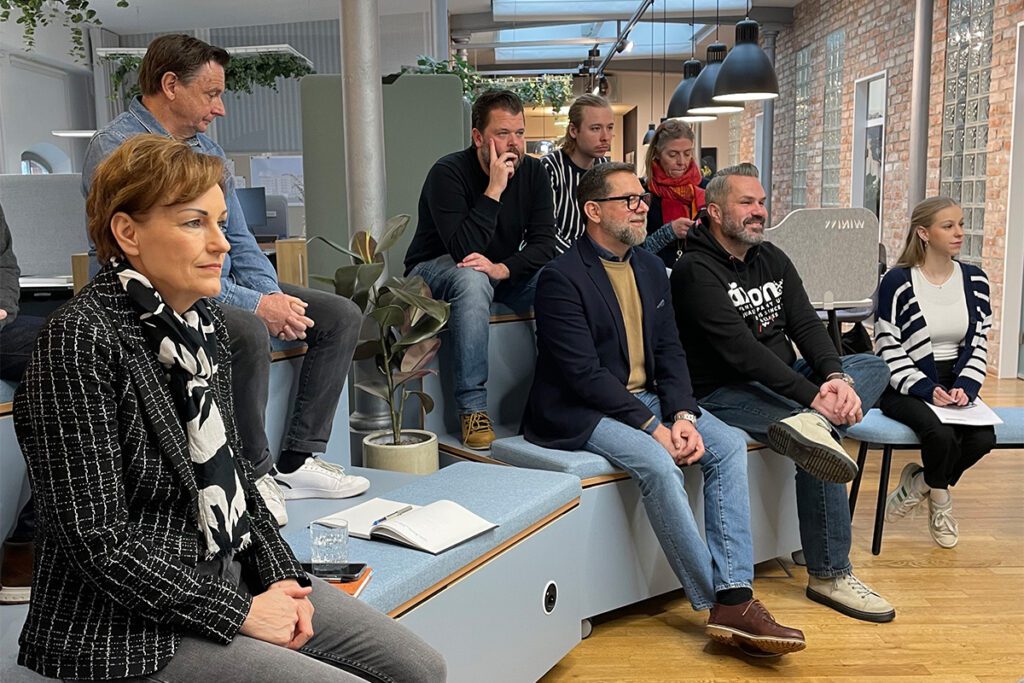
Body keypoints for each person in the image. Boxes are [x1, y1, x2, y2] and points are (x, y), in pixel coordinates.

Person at [13, 135, 446, 682]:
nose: (221, 245)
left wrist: (284, 579)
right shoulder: (79, 343)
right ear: (127, 233)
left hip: (225, 572)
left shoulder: (204, 326)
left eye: (221, 223)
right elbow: (99, 544)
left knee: (422, 668)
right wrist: (241, 613)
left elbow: (238, 481)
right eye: (196, 223)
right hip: (125, 623)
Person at [82, 34, 367, 527]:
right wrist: (257, 308)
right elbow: (156, 262)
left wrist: (271, 294)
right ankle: (254, 474)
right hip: (161, 290)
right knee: (246, 329)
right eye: (212, 94)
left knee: (340, 315)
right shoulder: (118, 147)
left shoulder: (207, 150)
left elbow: (237, 238)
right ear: (170, 85)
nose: (221, 108)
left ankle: (298, 460)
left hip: (218, 280)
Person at [523, 162, 806, 656]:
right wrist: (653, 427)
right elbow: (581, 374)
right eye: (628, 200)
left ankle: (736, 593)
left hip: (649, 398)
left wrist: (683, 416)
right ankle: (723, 602)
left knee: (728, 444)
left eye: (641, 198)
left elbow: (672, 352)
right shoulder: (560, 278)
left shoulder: (653, 268)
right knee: (658, 463)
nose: (642, 207)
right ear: (593, 210)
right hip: (582, 408)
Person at [671, 162, 896, 623]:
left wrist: (835, 379)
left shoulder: (772, 256)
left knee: (871, 366)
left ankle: (815, 419)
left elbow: (807, 325)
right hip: (722, 392)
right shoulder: (694, 271)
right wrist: (811, 397)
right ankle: (830, 573)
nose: (759, 211)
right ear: (714, 211)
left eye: (761, 201)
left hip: (787, 379)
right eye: (746, 203)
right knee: (817, 432)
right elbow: (741, 354)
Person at [404, 89, 557, 450]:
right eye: (503, 133)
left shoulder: (534, 172)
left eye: (519, 133)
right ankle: (472, 408)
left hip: (492, 271)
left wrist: (504, 268)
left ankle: (557, 396)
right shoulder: (448, 172)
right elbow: (462, 250)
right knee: (472, 277)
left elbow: (544, 245)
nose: (514, 144)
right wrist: (494, 189)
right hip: (434, 271)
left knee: (558, 280)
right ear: (478, 137)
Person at [875, 196, 995, 549]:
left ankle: (921, 483)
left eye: (960, 223)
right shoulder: (897, 281)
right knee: (940, 436)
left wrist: (967, 386)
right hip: (904, 384)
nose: (959, 232)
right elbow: (886, 346)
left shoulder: (976, 280)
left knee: (982, 439)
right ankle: (940, 503)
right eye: (949, 226)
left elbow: (979, 342)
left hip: (956, 381)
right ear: (924, 233)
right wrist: (925, 387)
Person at [0, 203, 46, 605]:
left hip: (1, 323)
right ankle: (29, 543)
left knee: (84, 340)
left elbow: (3, 260)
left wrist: (3, 304)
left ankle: (36, 539)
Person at [540, 94, 613, 253]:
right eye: (595, 128)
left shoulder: (606, 169)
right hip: (556, 261)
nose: (605, 137)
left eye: (610, 127)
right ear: (573, 130)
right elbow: (547, 235)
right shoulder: (549, 168)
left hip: (597, 259)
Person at [643, 119, 705, 268]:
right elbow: (634, 252)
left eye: (687, 153)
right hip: (657, 275)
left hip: (700, 275)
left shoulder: (706, 189)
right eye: (673, 154)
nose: (682, 162)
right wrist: (668, 233)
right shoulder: (643, 193)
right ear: (657, 154)